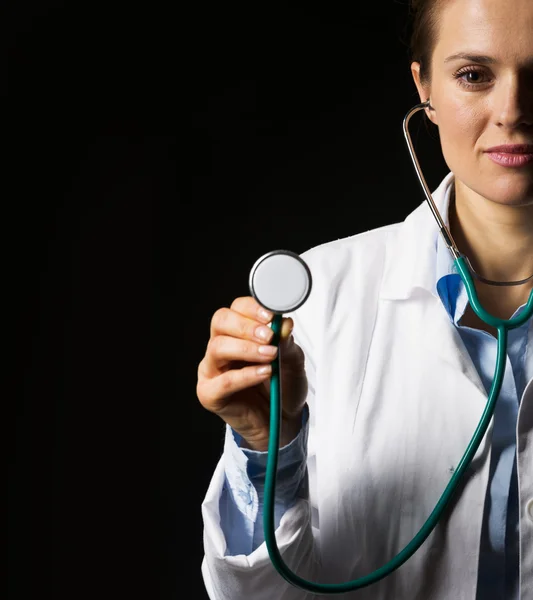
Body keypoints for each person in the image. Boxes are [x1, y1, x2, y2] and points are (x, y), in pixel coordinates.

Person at [196, 0, 533, 597]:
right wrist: (266, 449)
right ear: (422, 87)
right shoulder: (321, 299)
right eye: (474, 75)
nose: (513, 111)